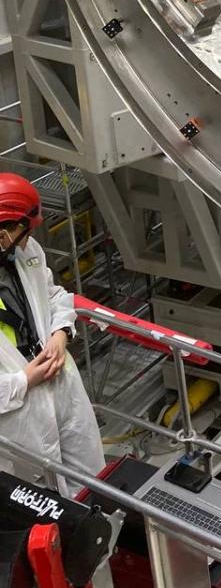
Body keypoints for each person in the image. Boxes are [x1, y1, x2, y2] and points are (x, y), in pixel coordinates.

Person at [0, 172, 105, 496]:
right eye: (24, 232)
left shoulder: (25, 255)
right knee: (35, 505)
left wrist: (60, 334)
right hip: (16, 411)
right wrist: (23, 381)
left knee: (90, 483)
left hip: (60, 385)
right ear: (3, 233)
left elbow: (55, 296)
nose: (29, 240)